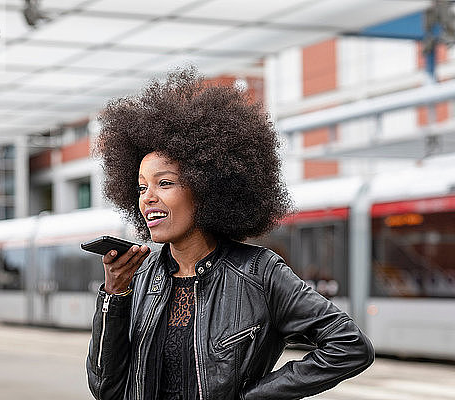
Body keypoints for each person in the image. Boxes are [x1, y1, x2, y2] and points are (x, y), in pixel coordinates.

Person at [86, 68, 374, 400]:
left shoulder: (259, 273)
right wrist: (114, 297)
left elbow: (349, 346)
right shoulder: (138, 277)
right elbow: (105, 388)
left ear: (206, 187)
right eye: (141, 187)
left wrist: (254, 395)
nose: (148, 197)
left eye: (164, 183)